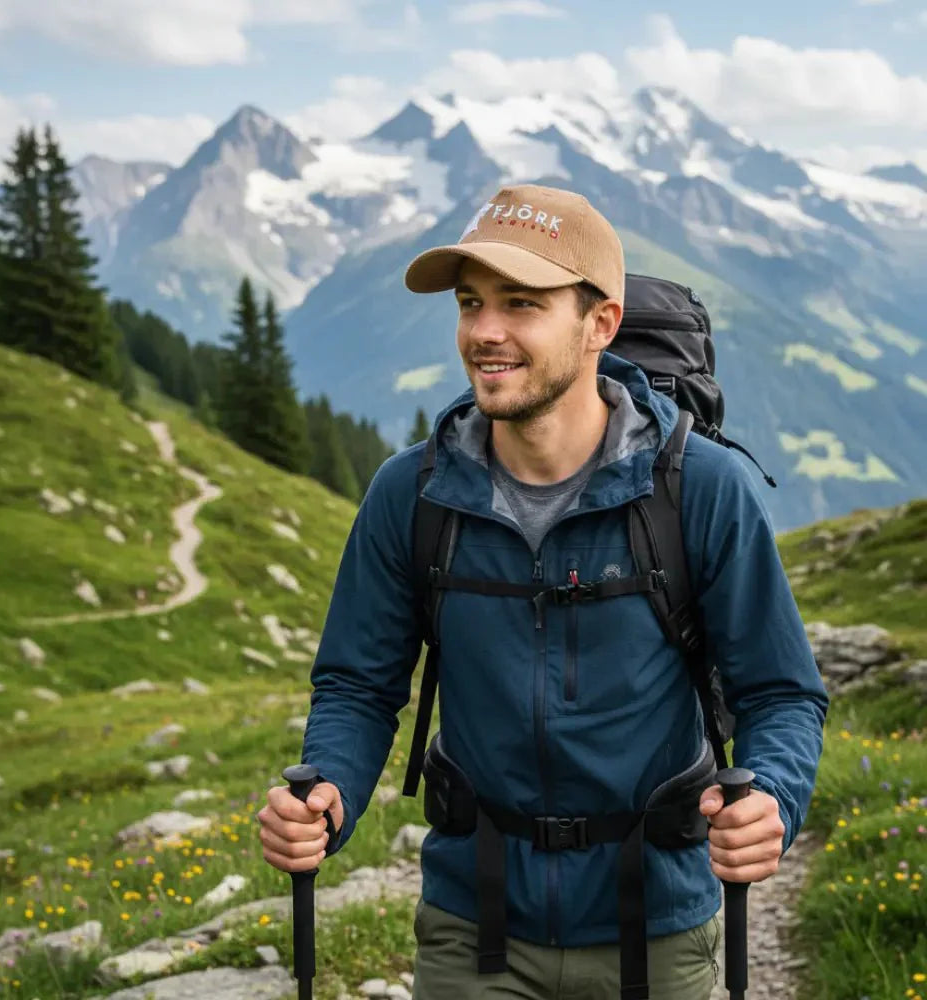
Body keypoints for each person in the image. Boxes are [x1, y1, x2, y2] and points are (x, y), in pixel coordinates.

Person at [257, 183, 829, 999]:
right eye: (471, 303)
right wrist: (328, 793)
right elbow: (357, 683)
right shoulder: (410, 495)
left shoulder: (702, 489)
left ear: (600, 324)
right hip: (473, 925)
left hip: (657, 927)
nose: (485, 332)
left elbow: (780, 692)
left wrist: (771, 797)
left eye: (521, 303)